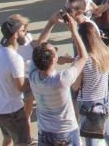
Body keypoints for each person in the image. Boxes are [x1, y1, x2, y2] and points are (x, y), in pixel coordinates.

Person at [30, 11, 88, 146]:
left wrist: (51, 23)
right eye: (55, 50)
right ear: (54, 59)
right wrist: (74, 31)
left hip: (44, 132)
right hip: (65, 132)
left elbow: (39, 46)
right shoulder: (62, 79)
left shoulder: (33, 75)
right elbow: (83, 57)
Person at [0, 15, 33, 146]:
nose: (25, 34)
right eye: (22, 31)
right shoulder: (15, 58)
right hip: (12, 112)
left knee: (7, 138)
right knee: (23, 142)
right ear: (15, 35)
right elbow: (21, 87)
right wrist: (36, 77)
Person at [75, 20, 109, 145]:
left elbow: (75, 85)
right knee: (108, 131)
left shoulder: (82, 59)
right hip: (105, 97)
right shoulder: (105, 52)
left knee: (90, 136)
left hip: (88, 102)